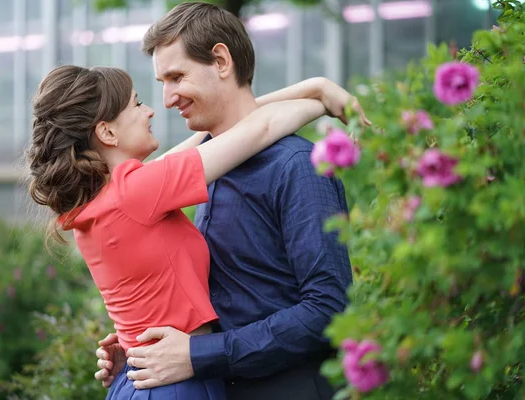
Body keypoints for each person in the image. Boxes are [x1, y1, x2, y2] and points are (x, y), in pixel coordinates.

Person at [26, 60, 352, 399]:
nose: (151, 111)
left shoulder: (103, 202)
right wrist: (323, 98)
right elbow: (260, 128)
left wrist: (315, 89)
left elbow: (225, 129)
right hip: (173, 384)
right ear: (107, 132)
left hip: (148, 378)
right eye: (137, 104)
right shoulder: (139, 191)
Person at [94, 2, 365, 400]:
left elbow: (330, 309)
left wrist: (198, 354)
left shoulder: (297, 167)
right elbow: (229, 299)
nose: (167, 99)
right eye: (161, 83)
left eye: (176, 77)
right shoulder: (206, 170)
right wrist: (144, 346)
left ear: (221, 60)